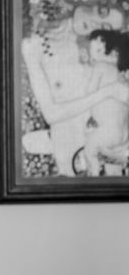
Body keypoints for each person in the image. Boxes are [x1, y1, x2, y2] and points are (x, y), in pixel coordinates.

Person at [21, 29, 129, 176]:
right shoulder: (62, 48)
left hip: (97, 136)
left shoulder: (102, 68)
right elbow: (52, 114)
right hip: (83, 132)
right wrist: (108, 91)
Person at [82, 29, 129, 175]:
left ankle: (95, 174)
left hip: (108, 133)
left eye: (96, 50)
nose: (92, 54)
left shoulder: (100, 67)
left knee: (89, 150)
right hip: (124, 134)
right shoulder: (121, 74)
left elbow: (89, 92)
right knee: (113, 156)